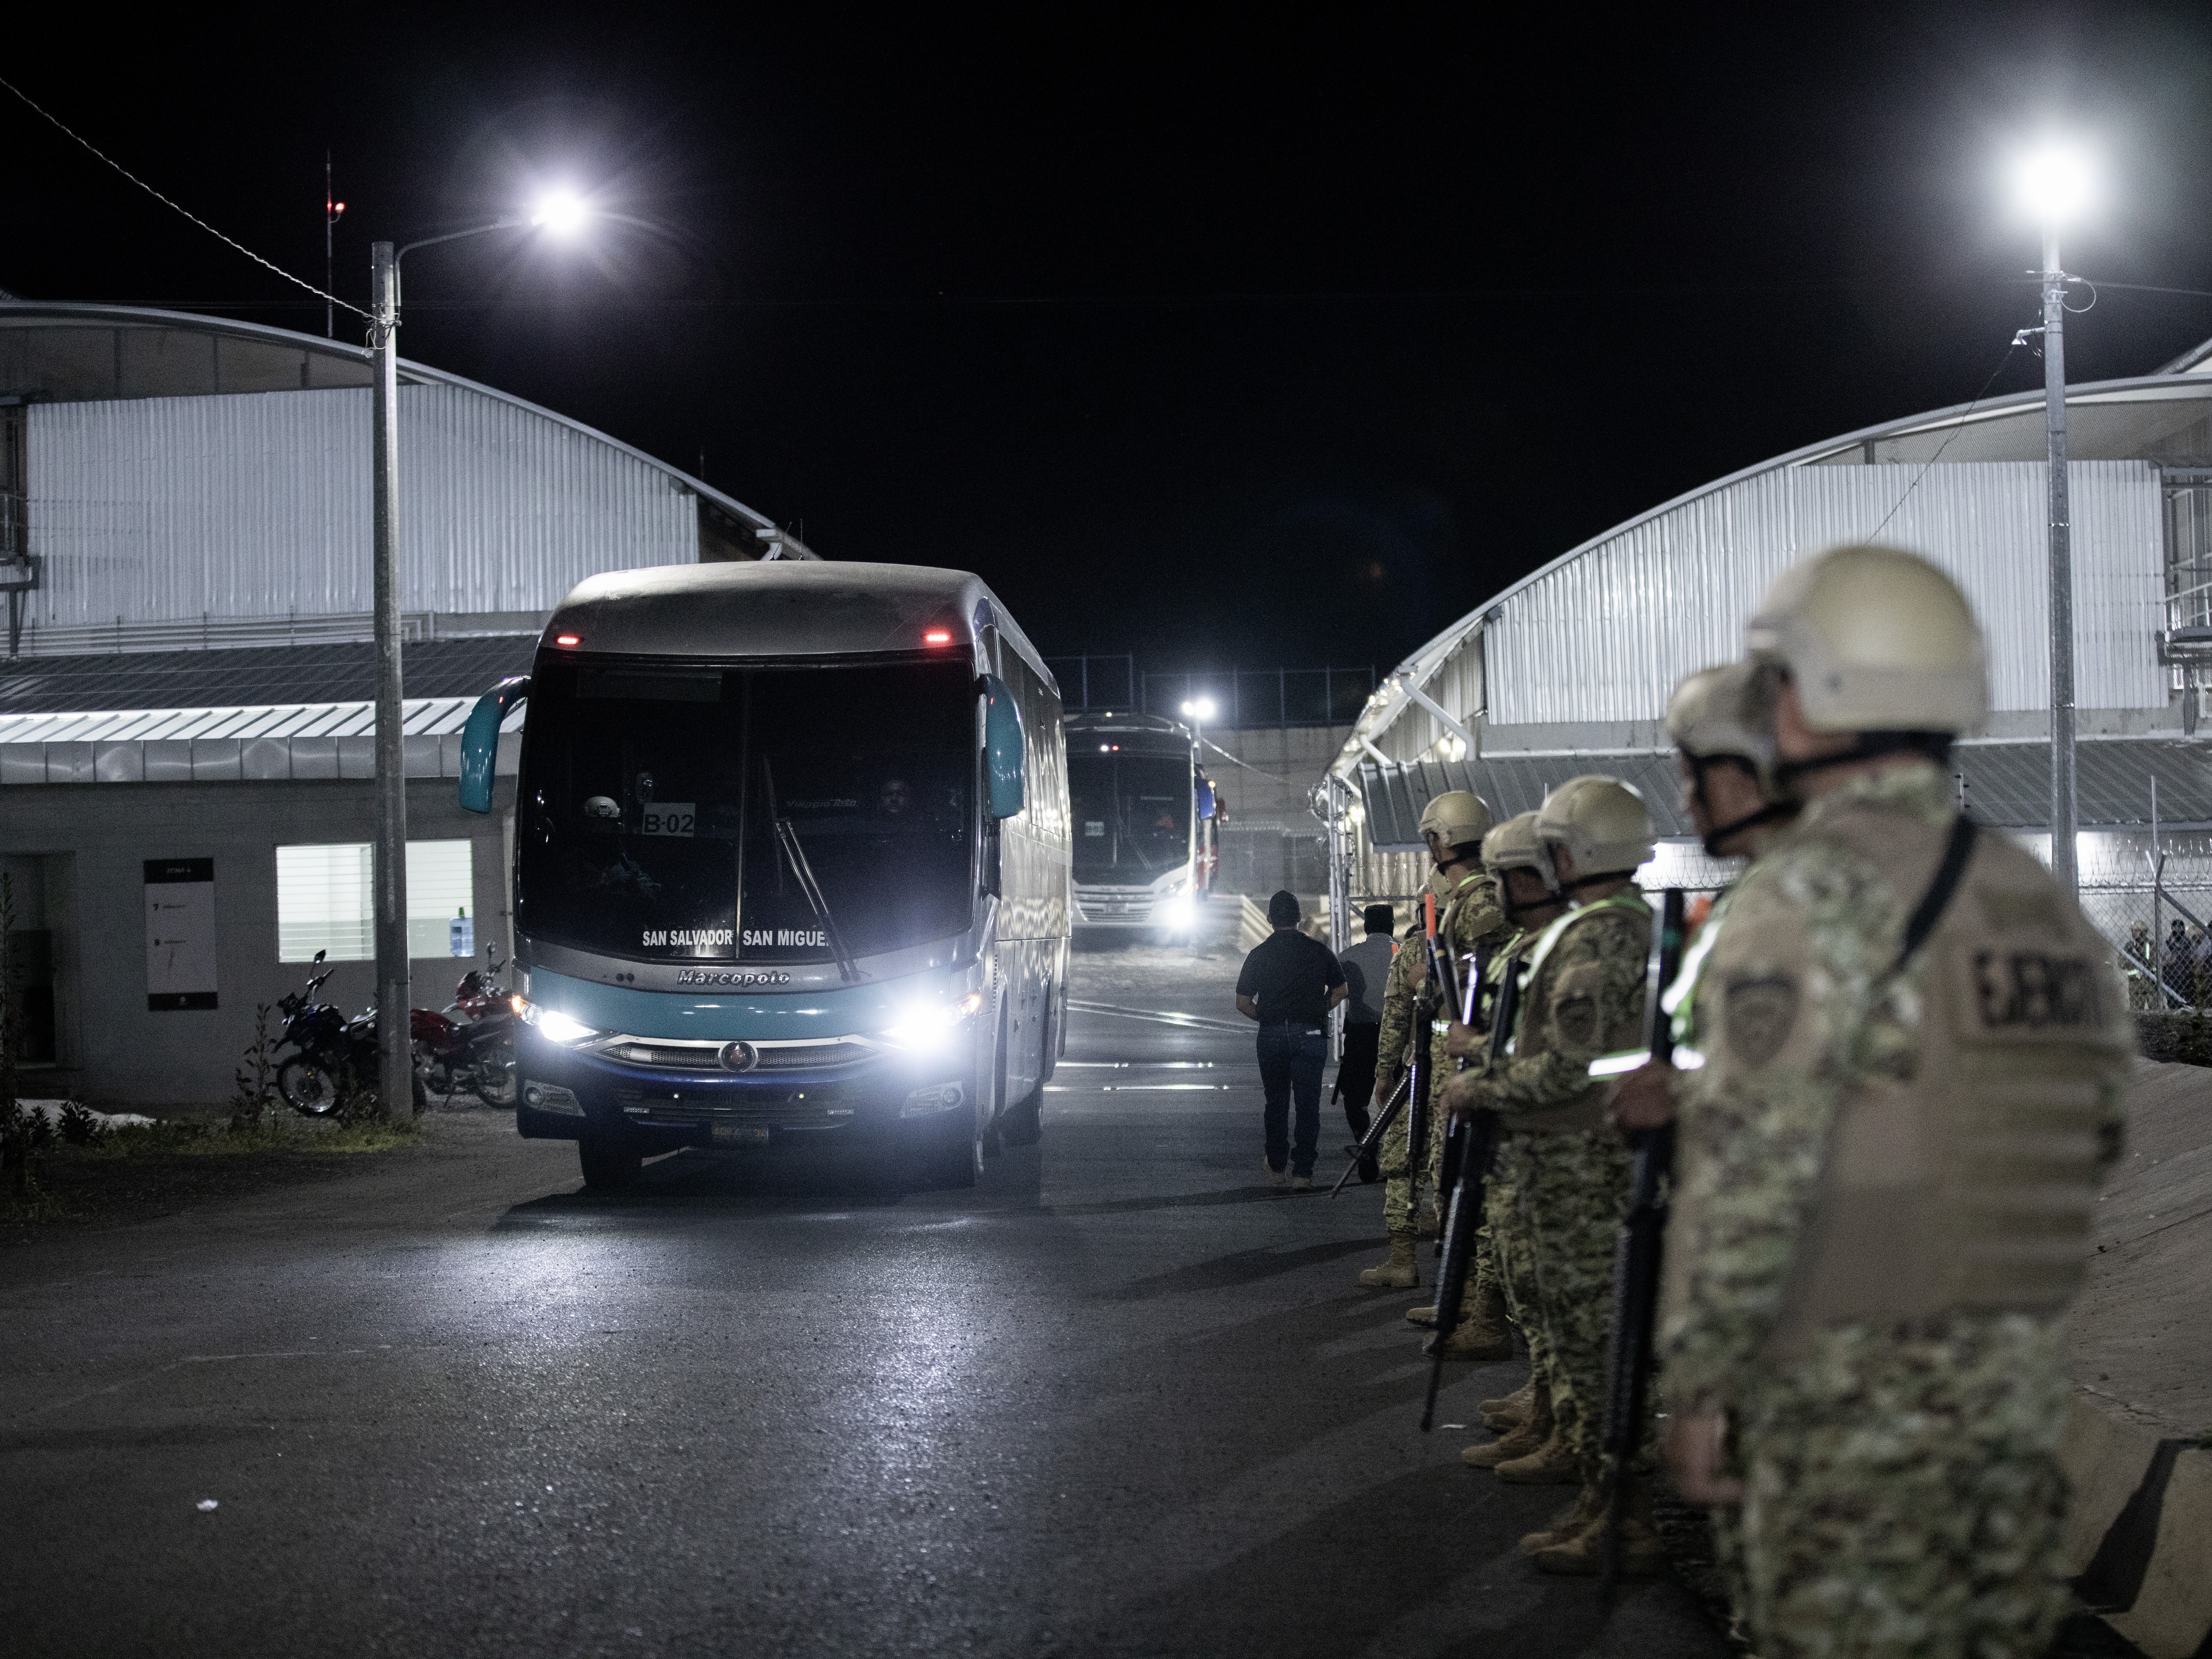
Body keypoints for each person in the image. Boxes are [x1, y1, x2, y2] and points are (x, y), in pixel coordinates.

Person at [1652, 545, 2130, 1659]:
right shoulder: (2030, 897)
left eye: (1775, 682)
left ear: (1816, 694)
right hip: (2009, 1411)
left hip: (1847, 1415)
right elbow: (2094, 1128)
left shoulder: (1806, 895)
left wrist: (1701, 1385)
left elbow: (1745, 1175)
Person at [1439, 774, 1659, 1575]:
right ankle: (1601, 1502)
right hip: (1572, 1162)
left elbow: (1569, 1068)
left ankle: (1622, 1515)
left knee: (1597, 1347)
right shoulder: (1612, 928)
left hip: (1582, 1167)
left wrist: (1477, 1084)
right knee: (1581, 1341)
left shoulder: (1598, 937)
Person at [1439, 811, 1573, 1478]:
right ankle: (1549, 1411)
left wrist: (1485, 1066)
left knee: (1580, 1315)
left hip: (1573, 1153)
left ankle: (1588, 1463)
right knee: (1545, 1299)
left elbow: (1577, 1061)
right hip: (1534, 1144)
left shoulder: (1584, 946)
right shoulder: (1539, 946)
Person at [1357, 790, 1504, 1291]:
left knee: (1444, 1171)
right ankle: (1465, 1293)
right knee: (1438, 1166)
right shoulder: (1497, 909)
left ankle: (1468, 1295)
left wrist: (1385, 1068)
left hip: (1451, 1057)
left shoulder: (1459, 921)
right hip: (1457, 1055)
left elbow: (1402, 1010)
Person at [1234, 889, 1347, 1190]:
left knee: (1276, 1103)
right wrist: (1317, 1010)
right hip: (1310, 1034)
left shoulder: (1258, 955)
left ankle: (1276, 1167)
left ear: (1269, 919)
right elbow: (1341, 991)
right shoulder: (1320, 951)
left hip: (1271, 1035)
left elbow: (1242, 1002)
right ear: (1299, 918)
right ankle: (1303, 1174)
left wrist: (1268, 1017)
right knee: (1308, 1105)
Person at [1332, 902, 1396, 1184]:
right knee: (1396, 1095)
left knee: (1355, 1096)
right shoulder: (1407, 953)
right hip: (1398, 1036)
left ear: (1367, 927)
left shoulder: (1349, 956)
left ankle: (1365, 1143)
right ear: (1392, 926)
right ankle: (1392, 1151)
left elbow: (1336, 993)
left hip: (1360, 1036)